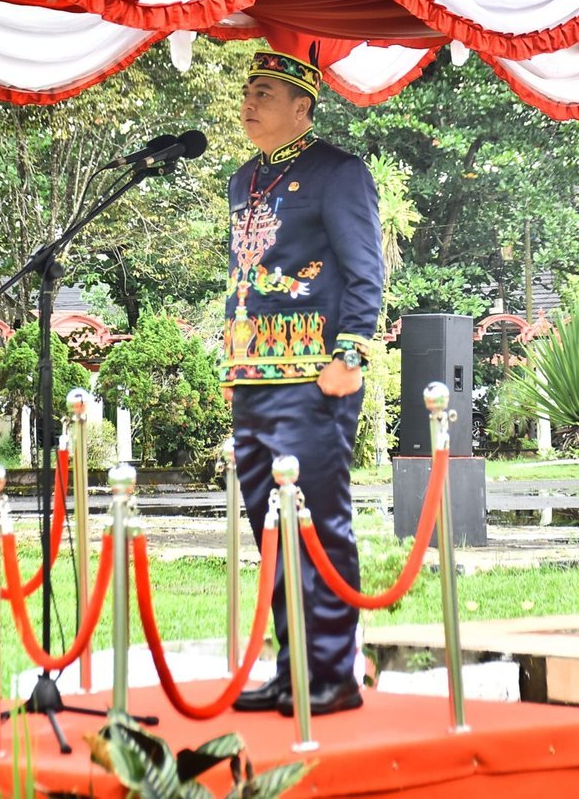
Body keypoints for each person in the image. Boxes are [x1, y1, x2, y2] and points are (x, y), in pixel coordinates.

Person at [223, 48, 384, 717]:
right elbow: (244, 276)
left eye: (265, 91)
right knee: (270, 531)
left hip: (315, 376)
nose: (250, 102)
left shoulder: (338, 172)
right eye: (248, 90)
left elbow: (364, 268)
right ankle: (294, 672)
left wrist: (350, 354)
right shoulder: (241, 179)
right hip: (252, 375)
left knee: (319, 527)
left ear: (302, 106)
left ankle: (335, 674)